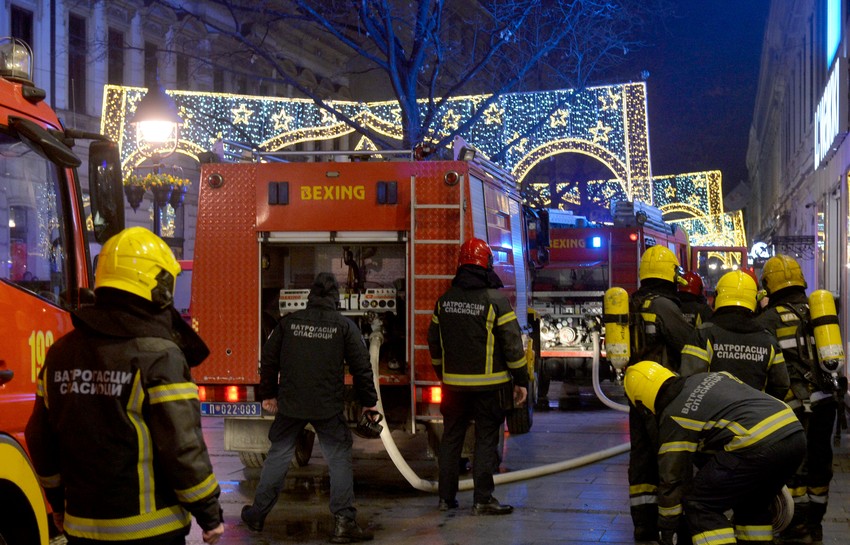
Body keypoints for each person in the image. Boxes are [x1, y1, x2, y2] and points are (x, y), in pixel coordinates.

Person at [25, 227, 225, 544]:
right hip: (151, 528)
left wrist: (57, 501)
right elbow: (181, 445)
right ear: (160, 287)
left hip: (83, 526)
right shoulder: (159, 355)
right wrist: (209, 513)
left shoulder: (61, 352)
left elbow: (39, 437)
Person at [241, 272, 378, 543]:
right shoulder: (344, 327)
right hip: (327, 406)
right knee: (338, 458)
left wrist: (268, 393)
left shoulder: (288, 324)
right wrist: (368, 403)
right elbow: (363, 367)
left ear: (310, 297)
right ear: (335, 298)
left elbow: (268, 359)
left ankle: (258, 514)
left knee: (278, 455)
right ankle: (343, 523)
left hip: (291, 404)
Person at [624, 361, 806, 545]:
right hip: (793, 431)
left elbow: (672, 480)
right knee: (752, 504)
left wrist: (668, 528)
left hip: (756, 444)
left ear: (642, 405)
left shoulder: (674, 417)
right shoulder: (712, 376)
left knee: (700, 504)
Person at [427, 237, 529, 516]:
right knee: (485, 440)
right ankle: (482, 500)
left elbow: (434, 344)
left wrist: (443, 374)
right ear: (487, 264)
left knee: (451, 440)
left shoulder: (444, 302)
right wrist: (522, 380)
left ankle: (446, 499)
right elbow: (512, 345)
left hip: (454, 388)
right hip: (490, 388)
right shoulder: (496, 301)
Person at [756, 255, 838, 545]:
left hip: (791, 407)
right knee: (820, 465)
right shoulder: (819, 314)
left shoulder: (766, 320)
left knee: (795, 468)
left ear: (769, 285)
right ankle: (815, 525)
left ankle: (796, 527)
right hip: (825, 401)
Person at [626, 245, 695, 542]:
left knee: (640, 457)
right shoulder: (665, 306)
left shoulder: (631, 302)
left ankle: (642, 524)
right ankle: (670, 524)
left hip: (634, 390)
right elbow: (689, 343)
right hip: (662, 392)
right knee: (667, 458)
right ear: (669, 274)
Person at [680, 269, 789, 400]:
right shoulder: (768, 340)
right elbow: (781, 385)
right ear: (754, 299)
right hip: (755, 416)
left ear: (718, 296)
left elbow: (688, 381)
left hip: (713, 417)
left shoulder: (704, 334)